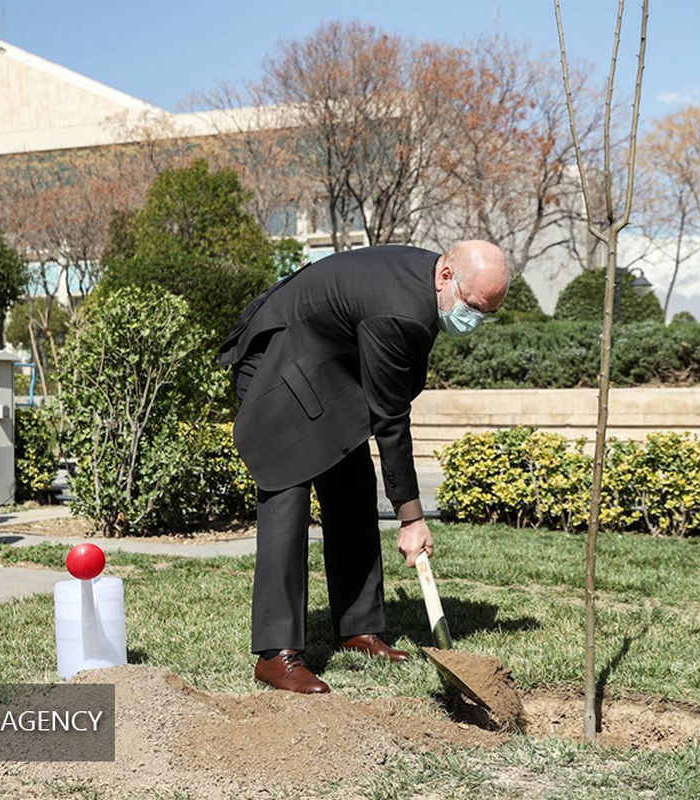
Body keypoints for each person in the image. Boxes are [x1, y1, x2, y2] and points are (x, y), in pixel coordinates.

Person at [218, 240, 509, 693]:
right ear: (446, 276)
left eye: (486, 314)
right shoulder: (399, 309)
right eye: (472, 307)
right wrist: (411, 518)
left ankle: (358, 629)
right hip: (276, 361)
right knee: (287, 488)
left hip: (325, 368)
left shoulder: (426, 288)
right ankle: (276, 655)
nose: (473, 320)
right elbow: (390, 419)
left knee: (352, 485)